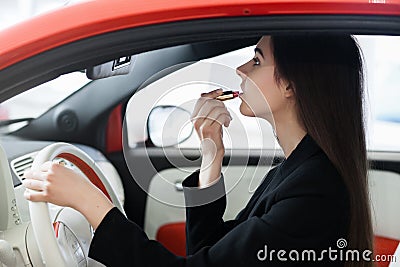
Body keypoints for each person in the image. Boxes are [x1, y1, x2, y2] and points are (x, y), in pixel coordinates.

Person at [23, 34, 372, 267]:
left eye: (257, 61)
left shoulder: (314, 190)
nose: (240, 70)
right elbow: (209, 252)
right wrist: (211, 156)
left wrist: (91, 204)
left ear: (291, 86)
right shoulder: (297, 171)